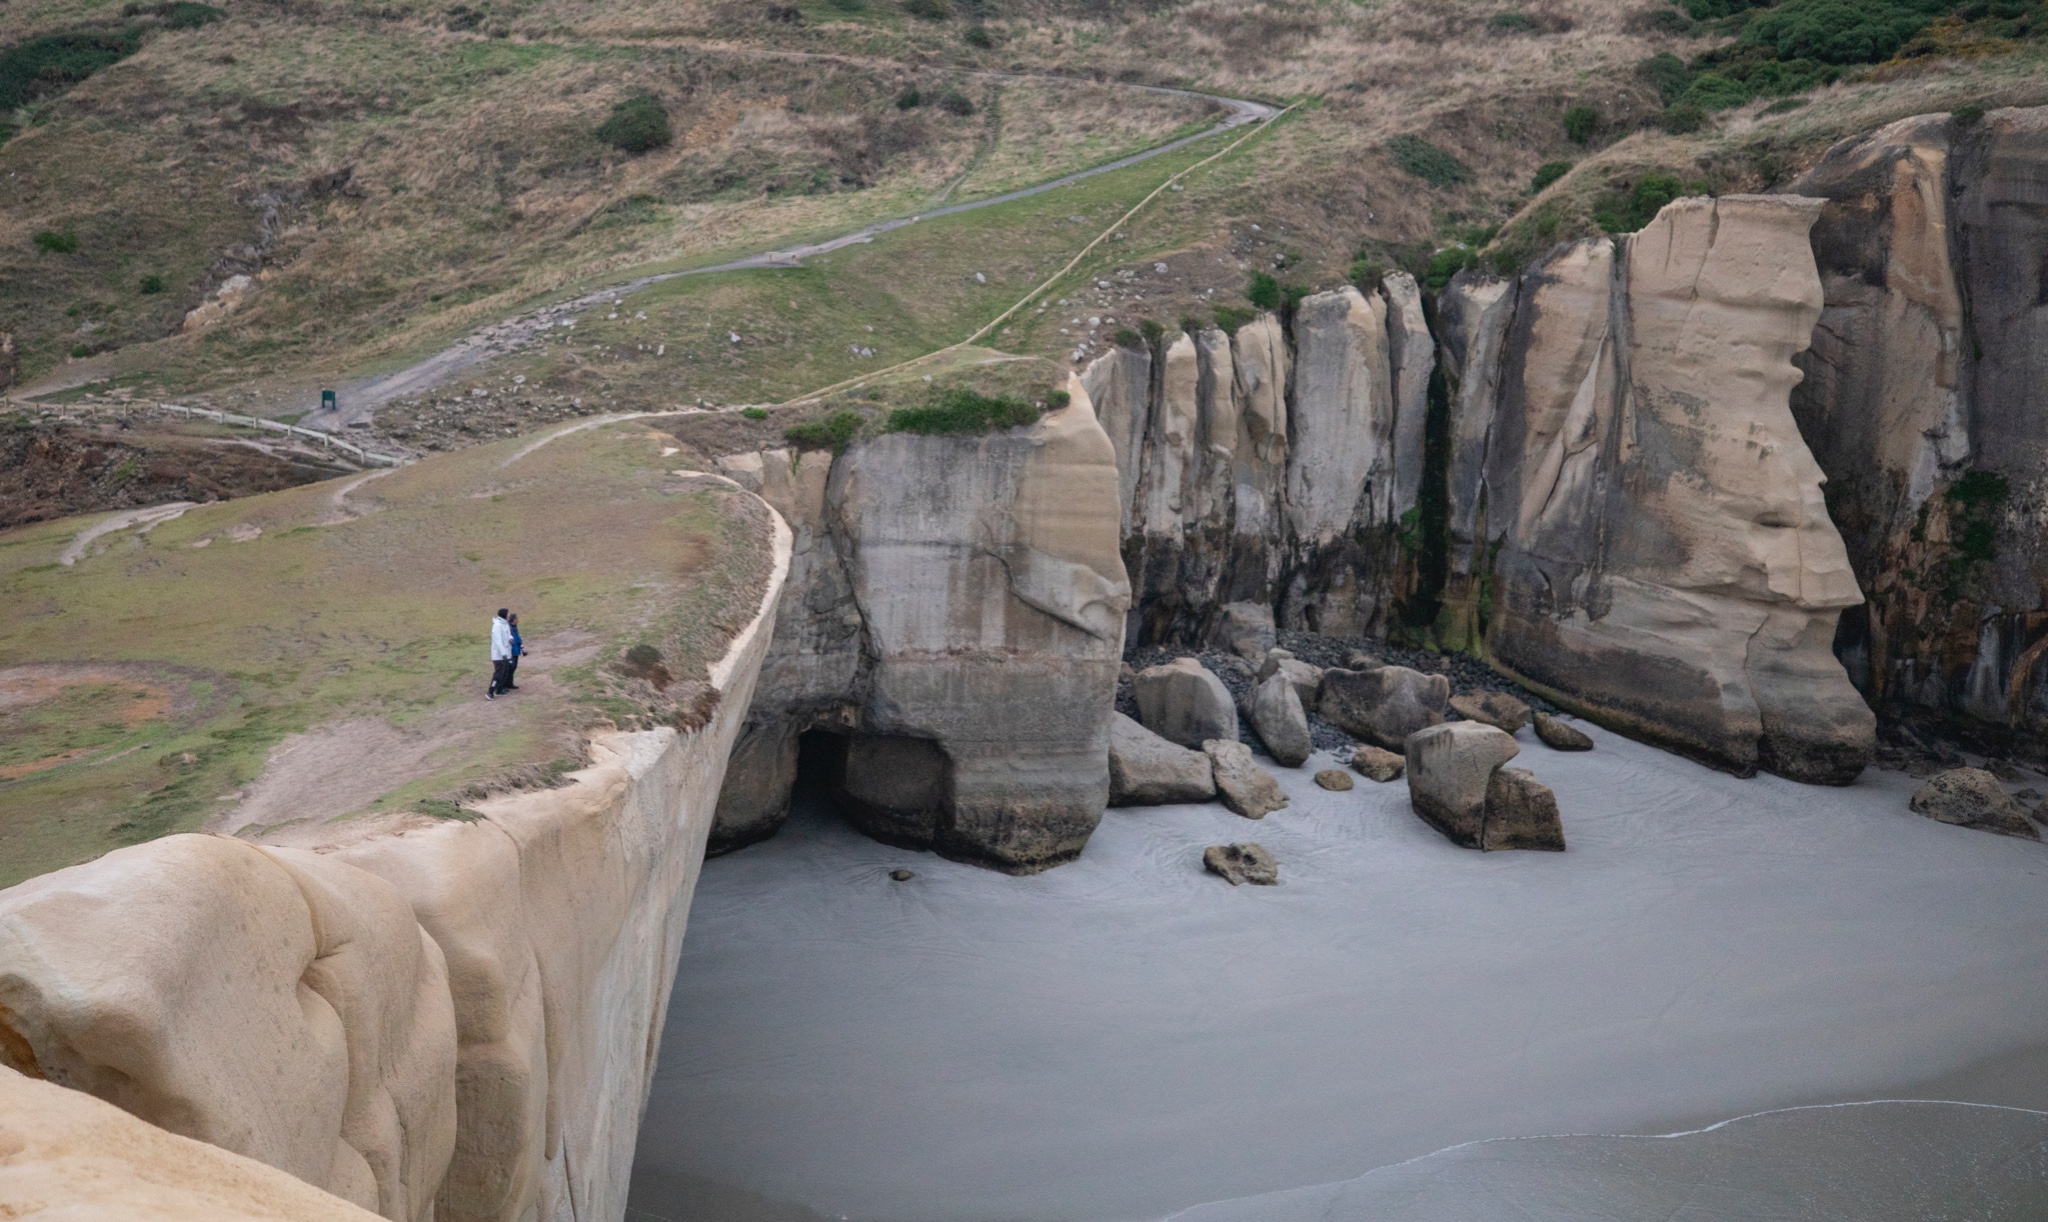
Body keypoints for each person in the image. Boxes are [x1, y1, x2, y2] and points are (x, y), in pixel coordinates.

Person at [488, 608, 513, 699]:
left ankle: (499, 689)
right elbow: (498, 641)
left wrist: (510, 638)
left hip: (505, 654)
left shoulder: (504, 624)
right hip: (499, 655)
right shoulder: (497, 626)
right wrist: (503, 653)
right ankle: (490, 691)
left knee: (505, 672)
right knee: (498, 674)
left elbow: (508, 633)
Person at [506, 613, 524, 691]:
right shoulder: (510, 628)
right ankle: (506, 683)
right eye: (517, 619)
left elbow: (518, 638)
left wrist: (522, 647)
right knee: (511, 667)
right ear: (514, 620)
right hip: (512, 651)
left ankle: (509, 683)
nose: (518, 620)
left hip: (516, 649)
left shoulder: (514, 627)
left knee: (513, 667)